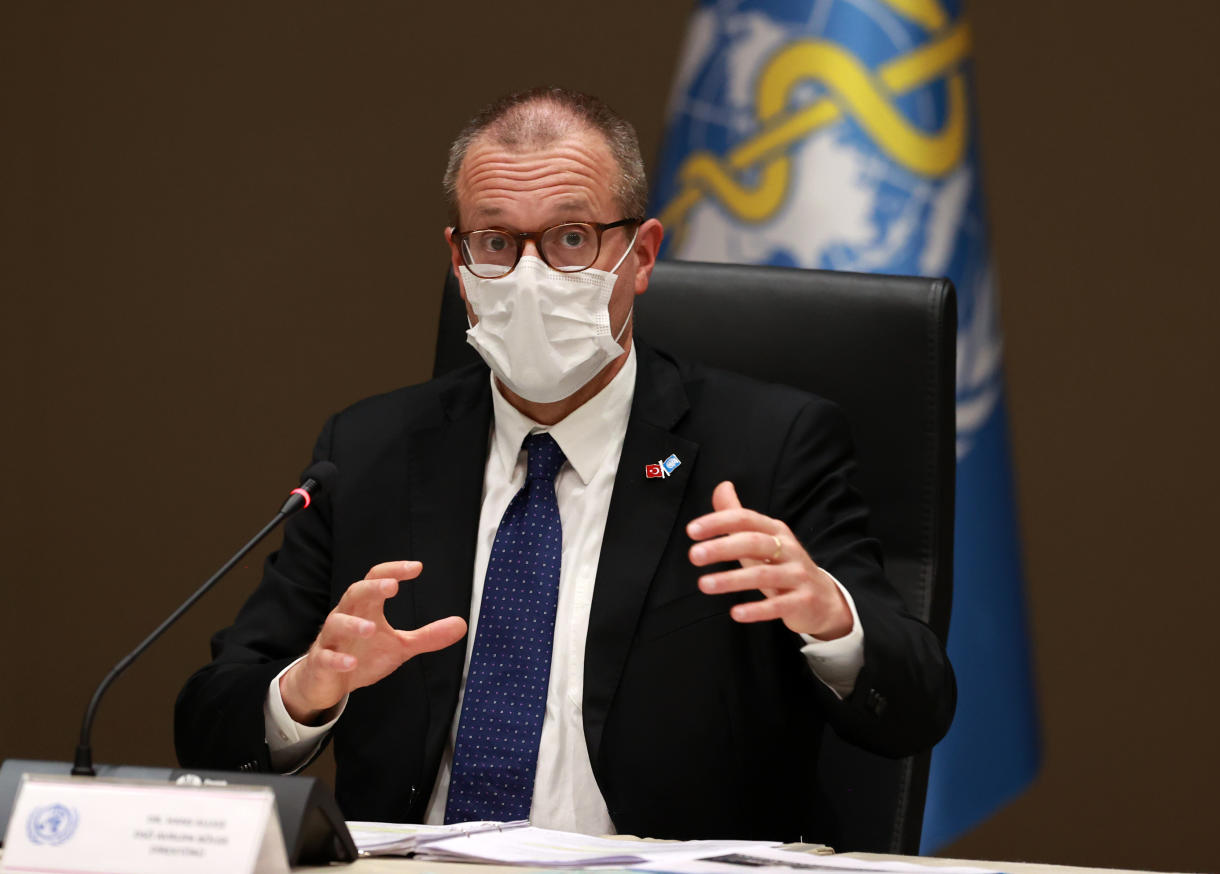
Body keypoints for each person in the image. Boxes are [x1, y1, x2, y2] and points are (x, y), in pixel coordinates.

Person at [175, 87, 954, 842]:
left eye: (571, 238)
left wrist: (833, 621)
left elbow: (917, 707)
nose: (530, 276)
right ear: (459, 258)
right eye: (496, 242)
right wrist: (306, 694)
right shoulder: (368, 452)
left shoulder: (767, 447)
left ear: (641, 255)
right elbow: (212, 731)